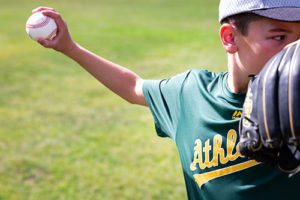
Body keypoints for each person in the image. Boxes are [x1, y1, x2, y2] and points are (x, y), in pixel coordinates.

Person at [34, 0, 300, 199]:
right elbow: (134, 87)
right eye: (279, 37)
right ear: (230, 38)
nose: (294, 50)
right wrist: (70, 47)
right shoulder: (192, 94)